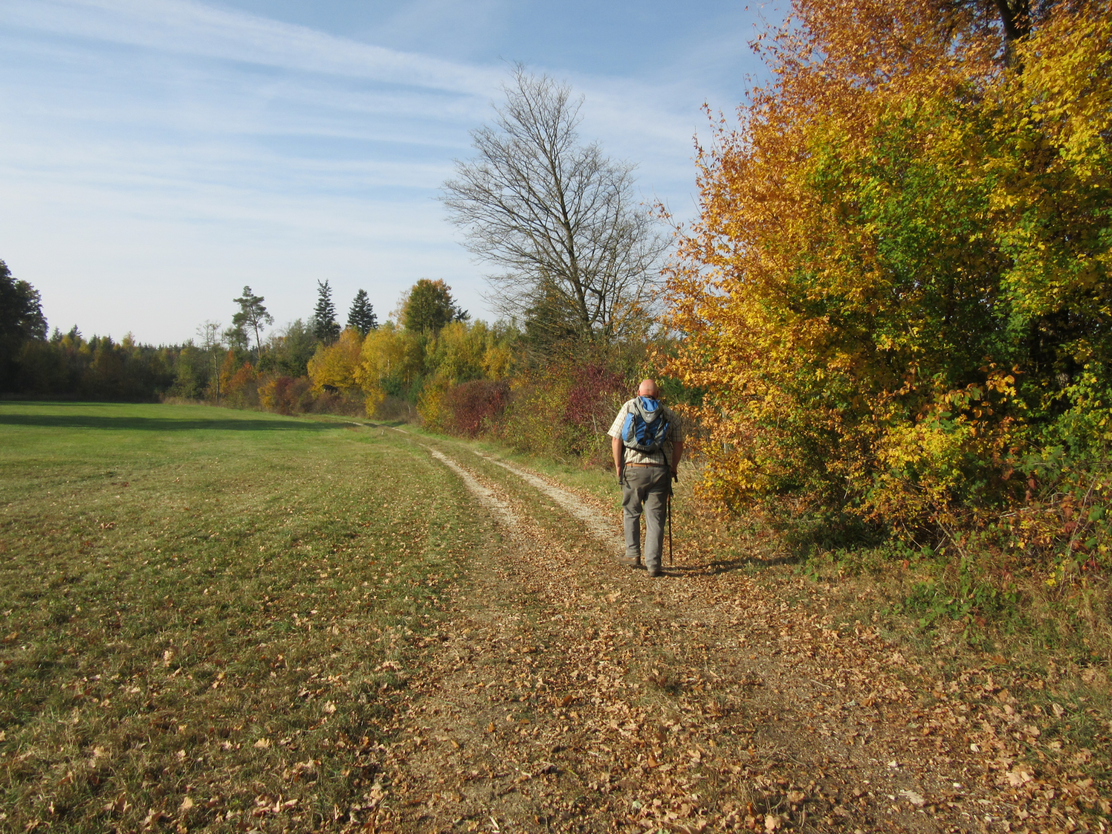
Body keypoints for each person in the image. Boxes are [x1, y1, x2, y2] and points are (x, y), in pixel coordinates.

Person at [608, 379, 684, 577]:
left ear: (638, 392)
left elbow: (616, 438)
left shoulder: (629, 406)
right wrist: (673, 468)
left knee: (631, 512)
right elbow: (678, 444)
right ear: (657, 395)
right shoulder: (668, 413)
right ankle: (653, 565)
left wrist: (618, 465)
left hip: (634, 468)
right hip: (660, 470)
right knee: (656, 518)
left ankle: (633, 554)